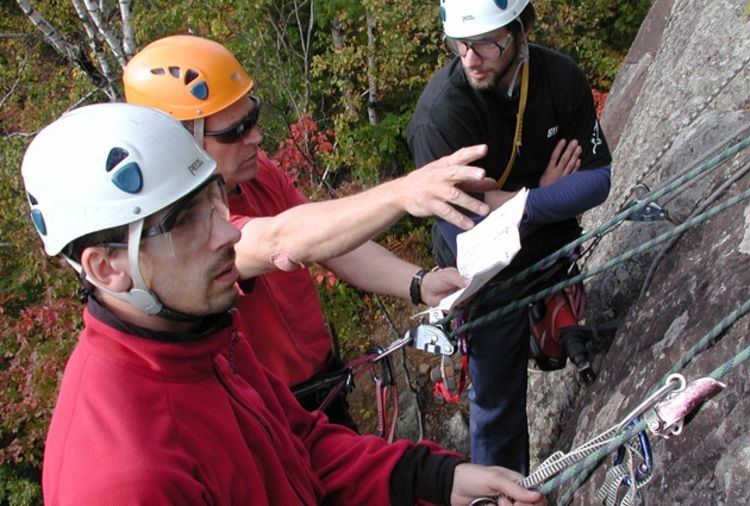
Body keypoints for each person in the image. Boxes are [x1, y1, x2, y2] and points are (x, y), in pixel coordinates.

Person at [24, 103, 544, 506]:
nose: (227, 231)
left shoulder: (209, 342)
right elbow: (285, 237)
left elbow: (300, 447)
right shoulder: (123, 477)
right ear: (106, 267)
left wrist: (437, 477)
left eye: (215, 200)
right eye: (184, 219)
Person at [122, 35, 498, 429]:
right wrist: (403, 193)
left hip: (322, 384)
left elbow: (329, 244)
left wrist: (419, 283)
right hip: (267, 417)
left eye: (253, 117)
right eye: (235, 131)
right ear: (183, 144)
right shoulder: (181, 232)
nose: (256, 136)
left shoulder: (257, 173)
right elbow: (279, 240)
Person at [407, 0, 613, 473]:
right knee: (497, 400)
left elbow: (598, 179)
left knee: (560, 337)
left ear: (522, 30)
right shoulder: (441, 116)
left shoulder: (559, 78)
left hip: (548, 249)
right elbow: (465, 222)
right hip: (483, 272)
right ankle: (502, 494)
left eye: (486, 42)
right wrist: (540, 194)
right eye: (459, 43)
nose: (470, 57)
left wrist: (511, 203)